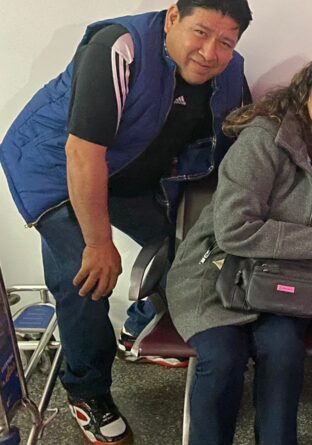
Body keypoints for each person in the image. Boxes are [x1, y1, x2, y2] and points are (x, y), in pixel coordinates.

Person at [0, 1, 251, 443]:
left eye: (225, 42)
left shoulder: (230, 72)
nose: (210, 52)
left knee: (186, 248)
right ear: (172, 18)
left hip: (124, 171)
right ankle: (87, 391)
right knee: (87, 277)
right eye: (201, 32)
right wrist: (99, 244)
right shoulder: (119, 47)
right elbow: (83, 154)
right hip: (57, 166)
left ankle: (137, 326)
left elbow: (240, 142)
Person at [165, 51, 312, 445]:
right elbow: (234, 230)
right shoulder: (263, 139)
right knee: (222, 359)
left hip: (283, 279)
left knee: (284, 351)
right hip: (217, 272)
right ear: (305, 91)